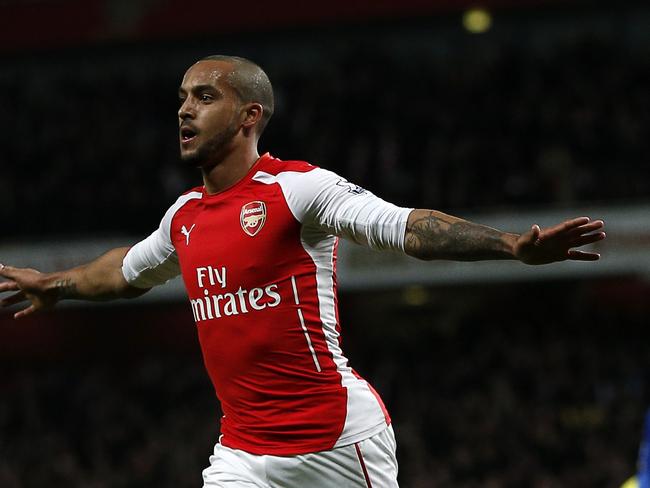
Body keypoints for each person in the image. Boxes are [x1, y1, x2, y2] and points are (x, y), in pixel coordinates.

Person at [0, 55, 606, 487]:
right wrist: (53, 286)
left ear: (249, 115)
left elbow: (407, 226)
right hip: (240, 453)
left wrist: (510, 247)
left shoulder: (299, 188)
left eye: (204, 97)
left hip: (337, 442)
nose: (185, 110)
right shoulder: (183, 217)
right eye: (182, 98)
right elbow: (124, 273)